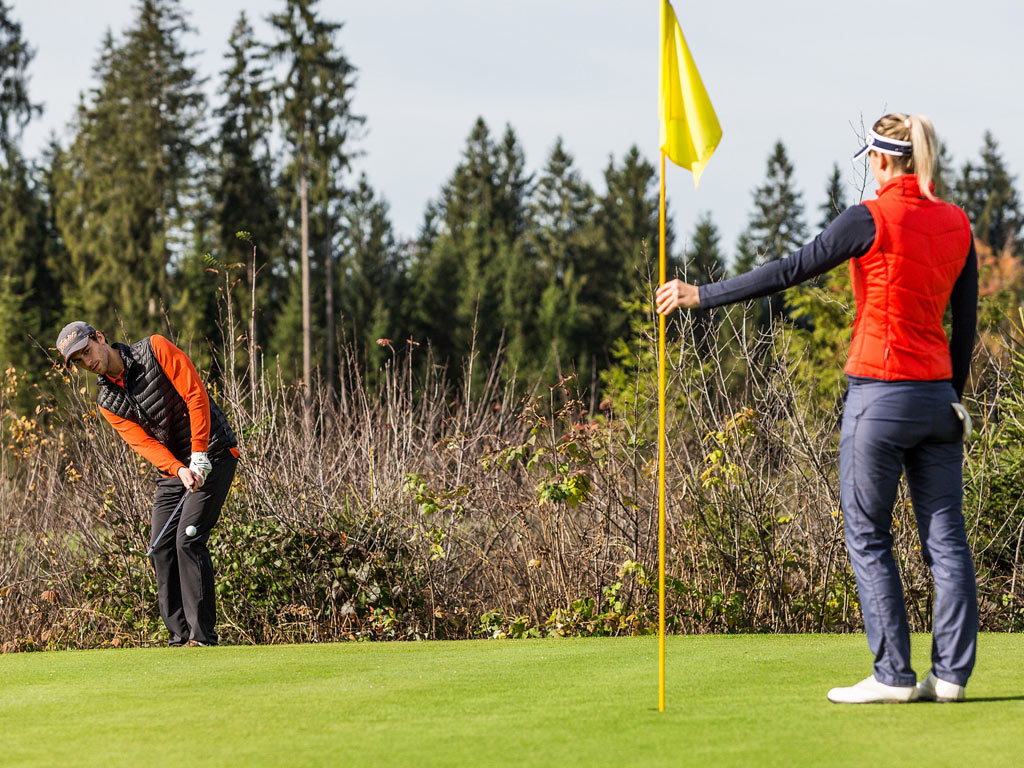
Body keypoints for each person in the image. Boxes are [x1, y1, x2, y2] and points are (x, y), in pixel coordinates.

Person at [656, 113, 978, 704]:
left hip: (878, 398)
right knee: (947, 541)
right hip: (936, 400)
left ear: (881, 161)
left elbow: (790, 270)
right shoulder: (958, 222)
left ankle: (894, 677)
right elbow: (966, 326)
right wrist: (952, 395)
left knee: (868, 536)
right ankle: (952, 677)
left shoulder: (870, 217)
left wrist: (701, 295)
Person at [56, 321, 239, 647]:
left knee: (188, 539)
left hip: (214, 451)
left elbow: (195, 394)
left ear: (100, 338)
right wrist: (179, 469)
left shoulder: (154, 349)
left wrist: (199, 453)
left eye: (88, 351)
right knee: (160, 548)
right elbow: (145, 444)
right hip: (175, 470)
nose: (89, 362)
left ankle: (202, 638)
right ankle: (180, 637)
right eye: (81, 360)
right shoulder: (107, 402)